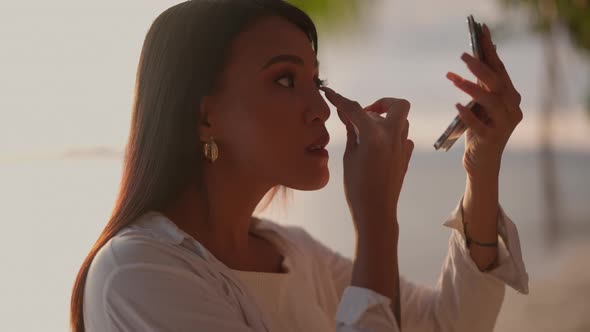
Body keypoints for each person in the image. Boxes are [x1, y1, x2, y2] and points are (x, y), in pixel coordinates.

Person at [70, 0, 529, 331]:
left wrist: (481, 167)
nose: (321, 109)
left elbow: (446, 324)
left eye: (317, 80)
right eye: (286, 79)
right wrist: (375, 222)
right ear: (204, 116)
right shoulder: (137, 274)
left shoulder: (293, 253)